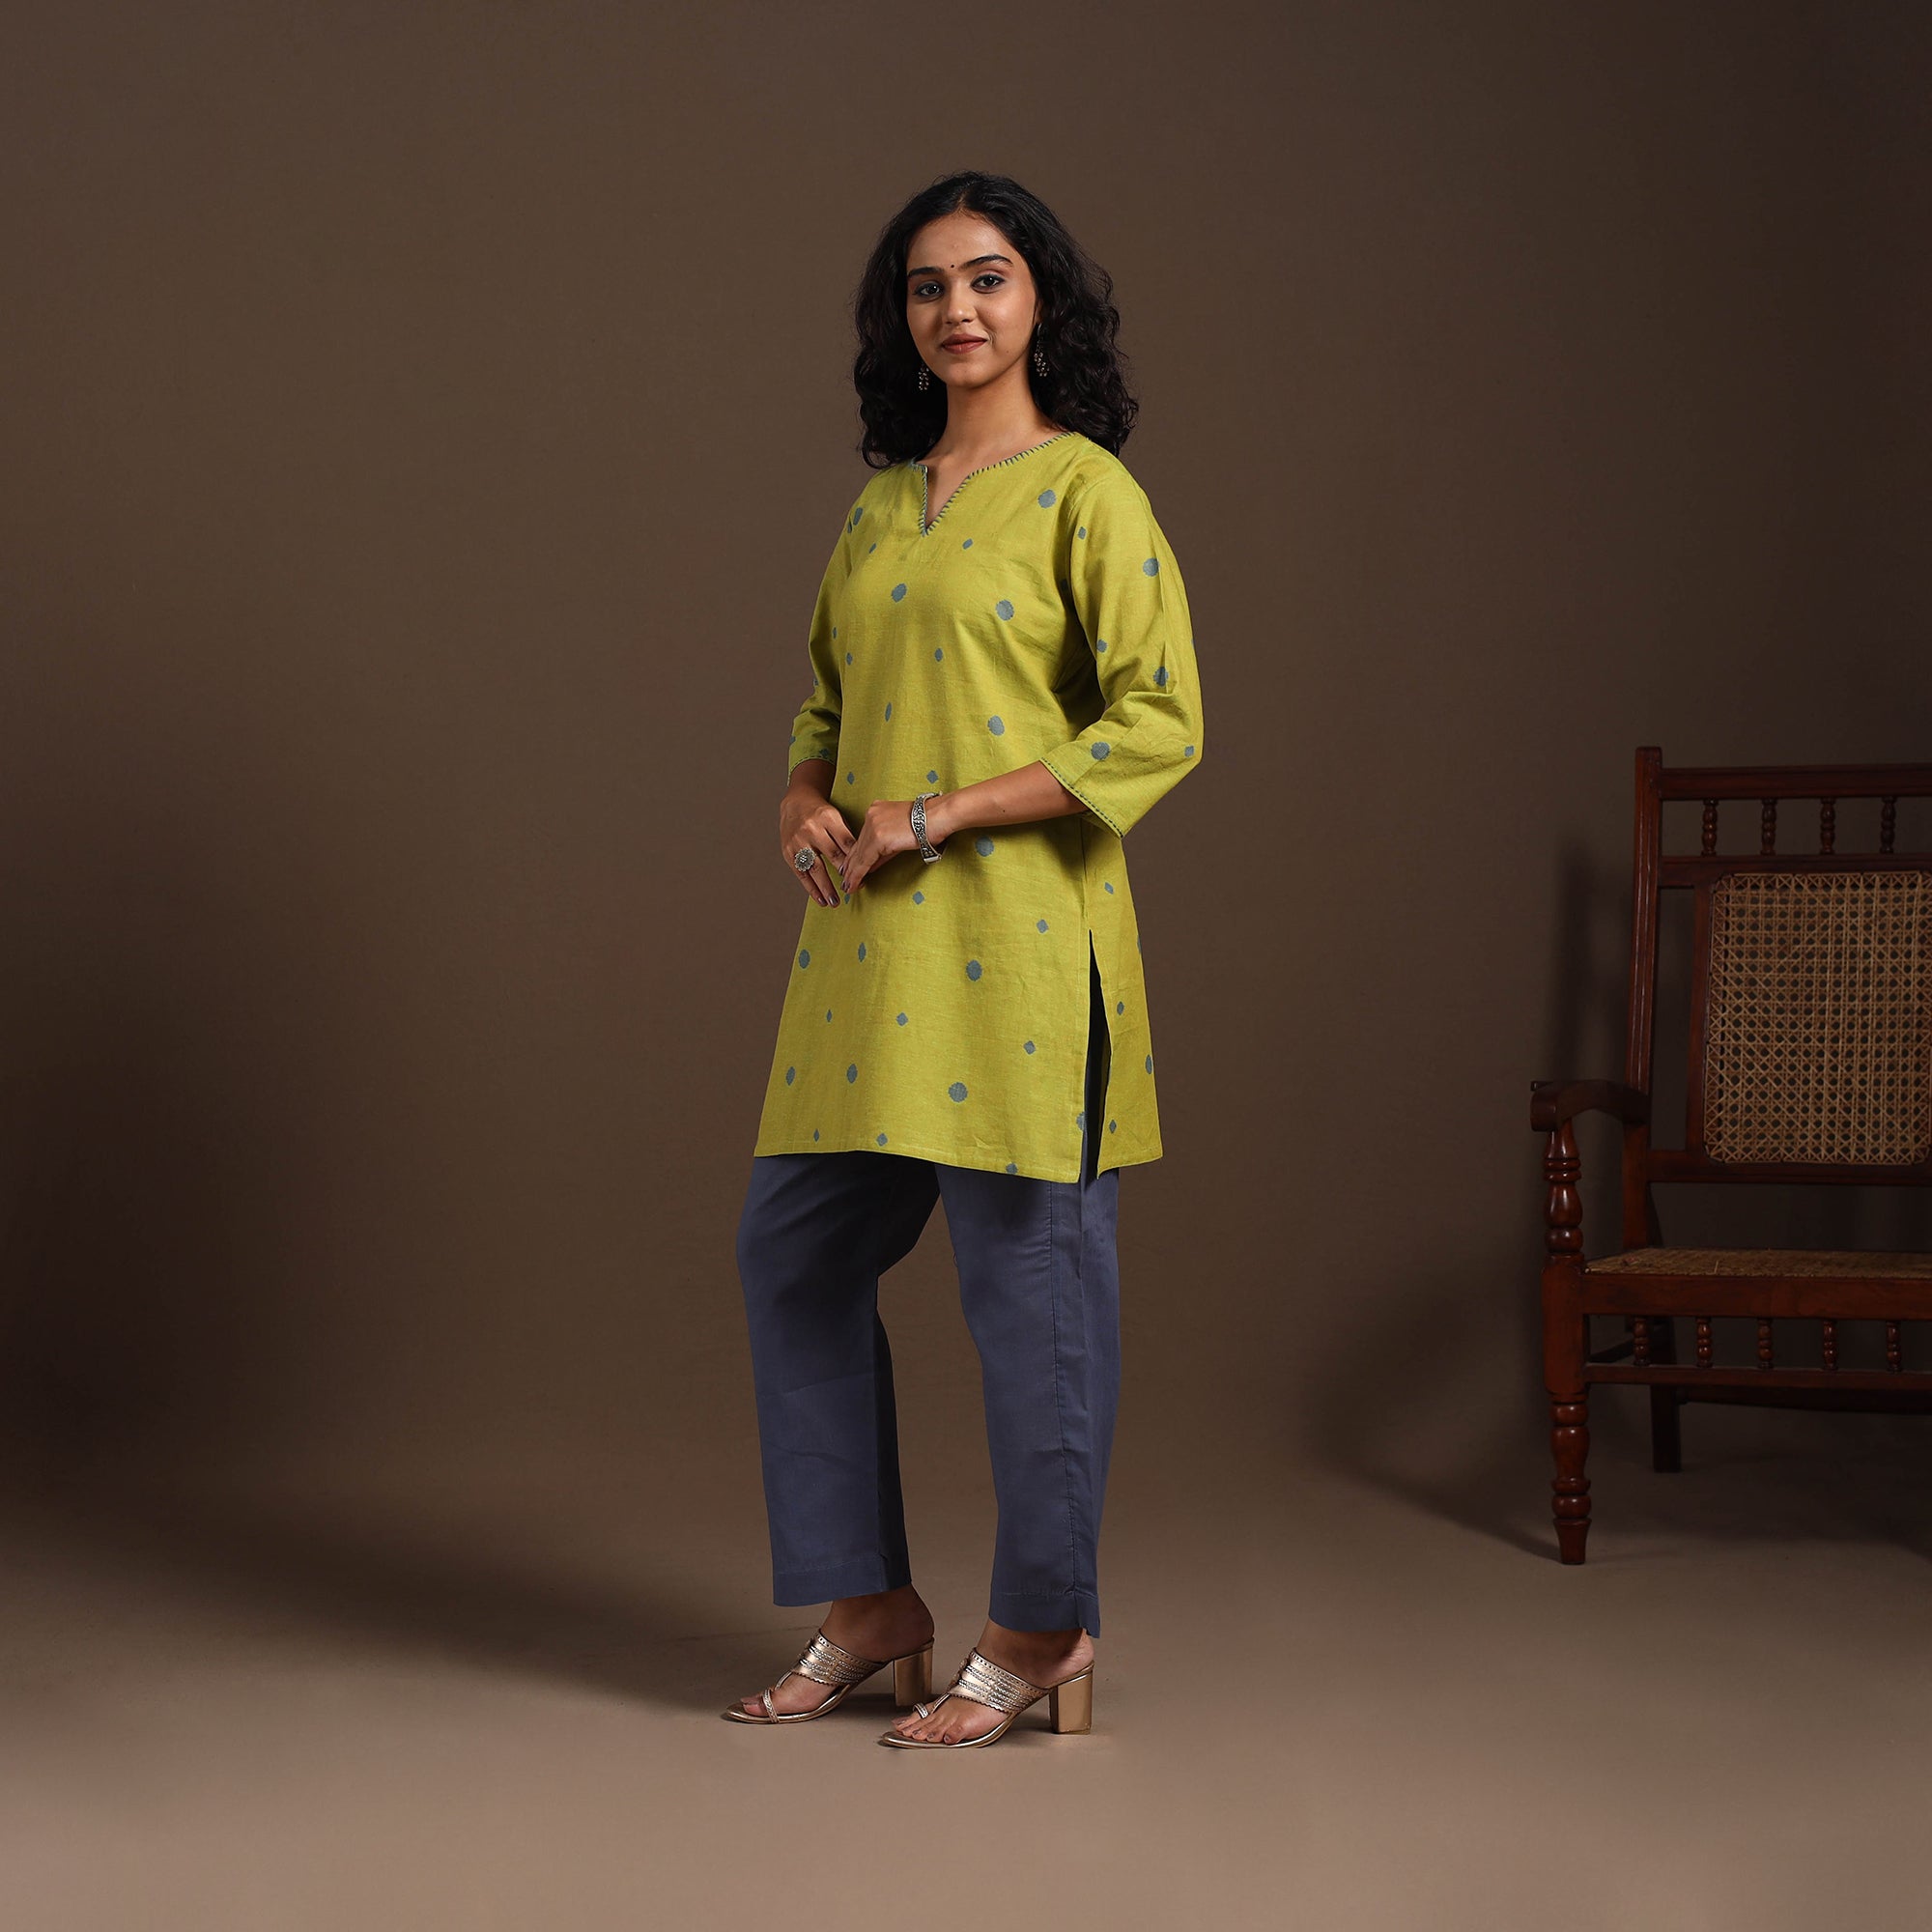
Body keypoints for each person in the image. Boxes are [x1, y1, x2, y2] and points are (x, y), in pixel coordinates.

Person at [724, 171, 1205, 1748]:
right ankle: (869, 1606)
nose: (958, 310)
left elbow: (1159, 722)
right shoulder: (881, 507)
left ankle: (1045, 1623)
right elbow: (823, 706)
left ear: (1040, 299)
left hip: (1022, 951)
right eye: (928, 286)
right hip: (865, 961)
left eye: (988, 278)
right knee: (793, 1256)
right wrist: (804, 798)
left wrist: (939, 812)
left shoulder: (1088, 495)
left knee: (1031, 1296)